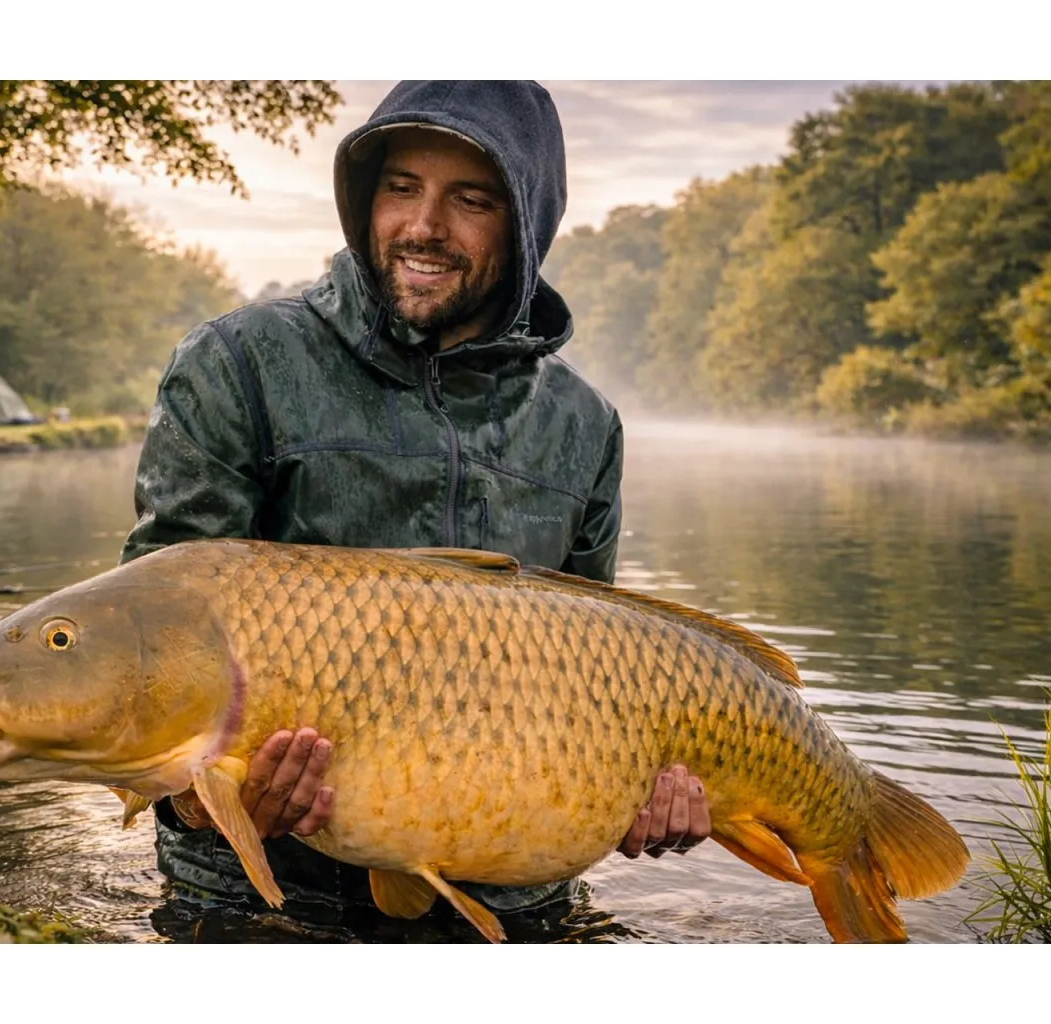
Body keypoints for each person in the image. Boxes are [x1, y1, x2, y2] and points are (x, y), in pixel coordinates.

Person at [121, 80, 710, 922]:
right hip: (263, 894)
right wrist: (200, 799)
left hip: (513, 899)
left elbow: (606, 671)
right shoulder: (236, 362)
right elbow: (146, 648)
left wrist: (646, 792)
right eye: (401, 188)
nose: (423, 226)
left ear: (526, 228)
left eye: (470, 200)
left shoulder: (585, 424)